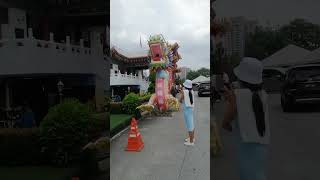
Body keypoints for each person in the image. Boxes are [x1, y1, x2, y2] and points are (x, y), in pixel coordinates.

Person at [222, 57, 270, 180]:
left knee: (247, 174)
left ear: (241, 79)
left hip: (246, 144)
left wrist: (231, 99)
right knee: (258, 173)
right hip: (262, 143)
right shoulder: (263, 94)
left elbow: (226, 121)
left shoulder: (237, 95)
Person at [178, 79, 195, 146]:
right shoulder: (192, 91)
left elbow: (180, 100)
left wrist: (181, 94)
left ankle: (191, 142)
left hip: (187, 110)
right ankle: (192, 138)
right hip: (191, 109)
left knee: (189, 125)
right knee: (191, 124)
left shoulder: (184, 92)